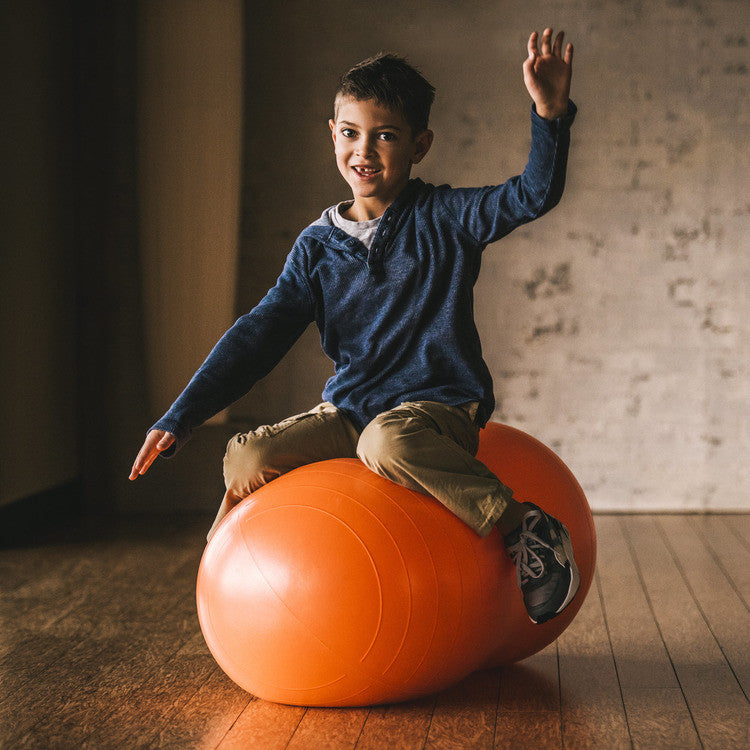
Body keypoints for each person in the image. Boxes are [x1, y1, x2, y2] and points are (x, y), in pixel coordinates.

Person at [130, 28, 579, 625]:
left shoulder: (446, 218)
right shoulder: (316, 249)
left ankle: (526, 525)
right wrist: (179, 417)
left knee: (387, 443)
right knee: (246, 458)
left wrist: (549, 115)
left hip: (437, 409)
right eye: (349, 133)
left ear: (420, 145)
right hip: (352, 411)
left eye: (385, 135)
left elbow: (531, 195)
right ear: (333, 137)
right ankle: (235, 577)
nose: (363, 150)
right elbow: (256, 335)